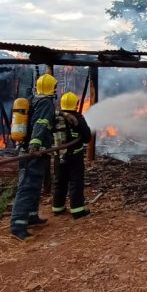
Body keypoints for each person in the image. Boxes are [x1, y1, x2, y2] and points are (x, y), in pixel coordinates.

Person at [10, 74, 57, 241]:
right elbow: (41, 123)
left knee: (35, 185)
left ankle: (31, 216)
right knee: (27, 187)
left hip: (32, 151)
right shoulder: (46, 103)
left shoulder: (34, 100)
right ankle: (18, 226)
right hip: (34, 152)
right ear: (53, 88)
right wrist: (35, 145)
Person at [52, 91, 92, 219]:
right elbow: (87, 138)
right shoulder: (78, 118)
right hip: (75, 156)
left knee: (59, 181)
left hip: (59, 156)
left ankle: (57, 207)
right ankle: (77, 210)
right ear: (76, 104)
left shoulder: (56, 117)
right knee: (76, 182)